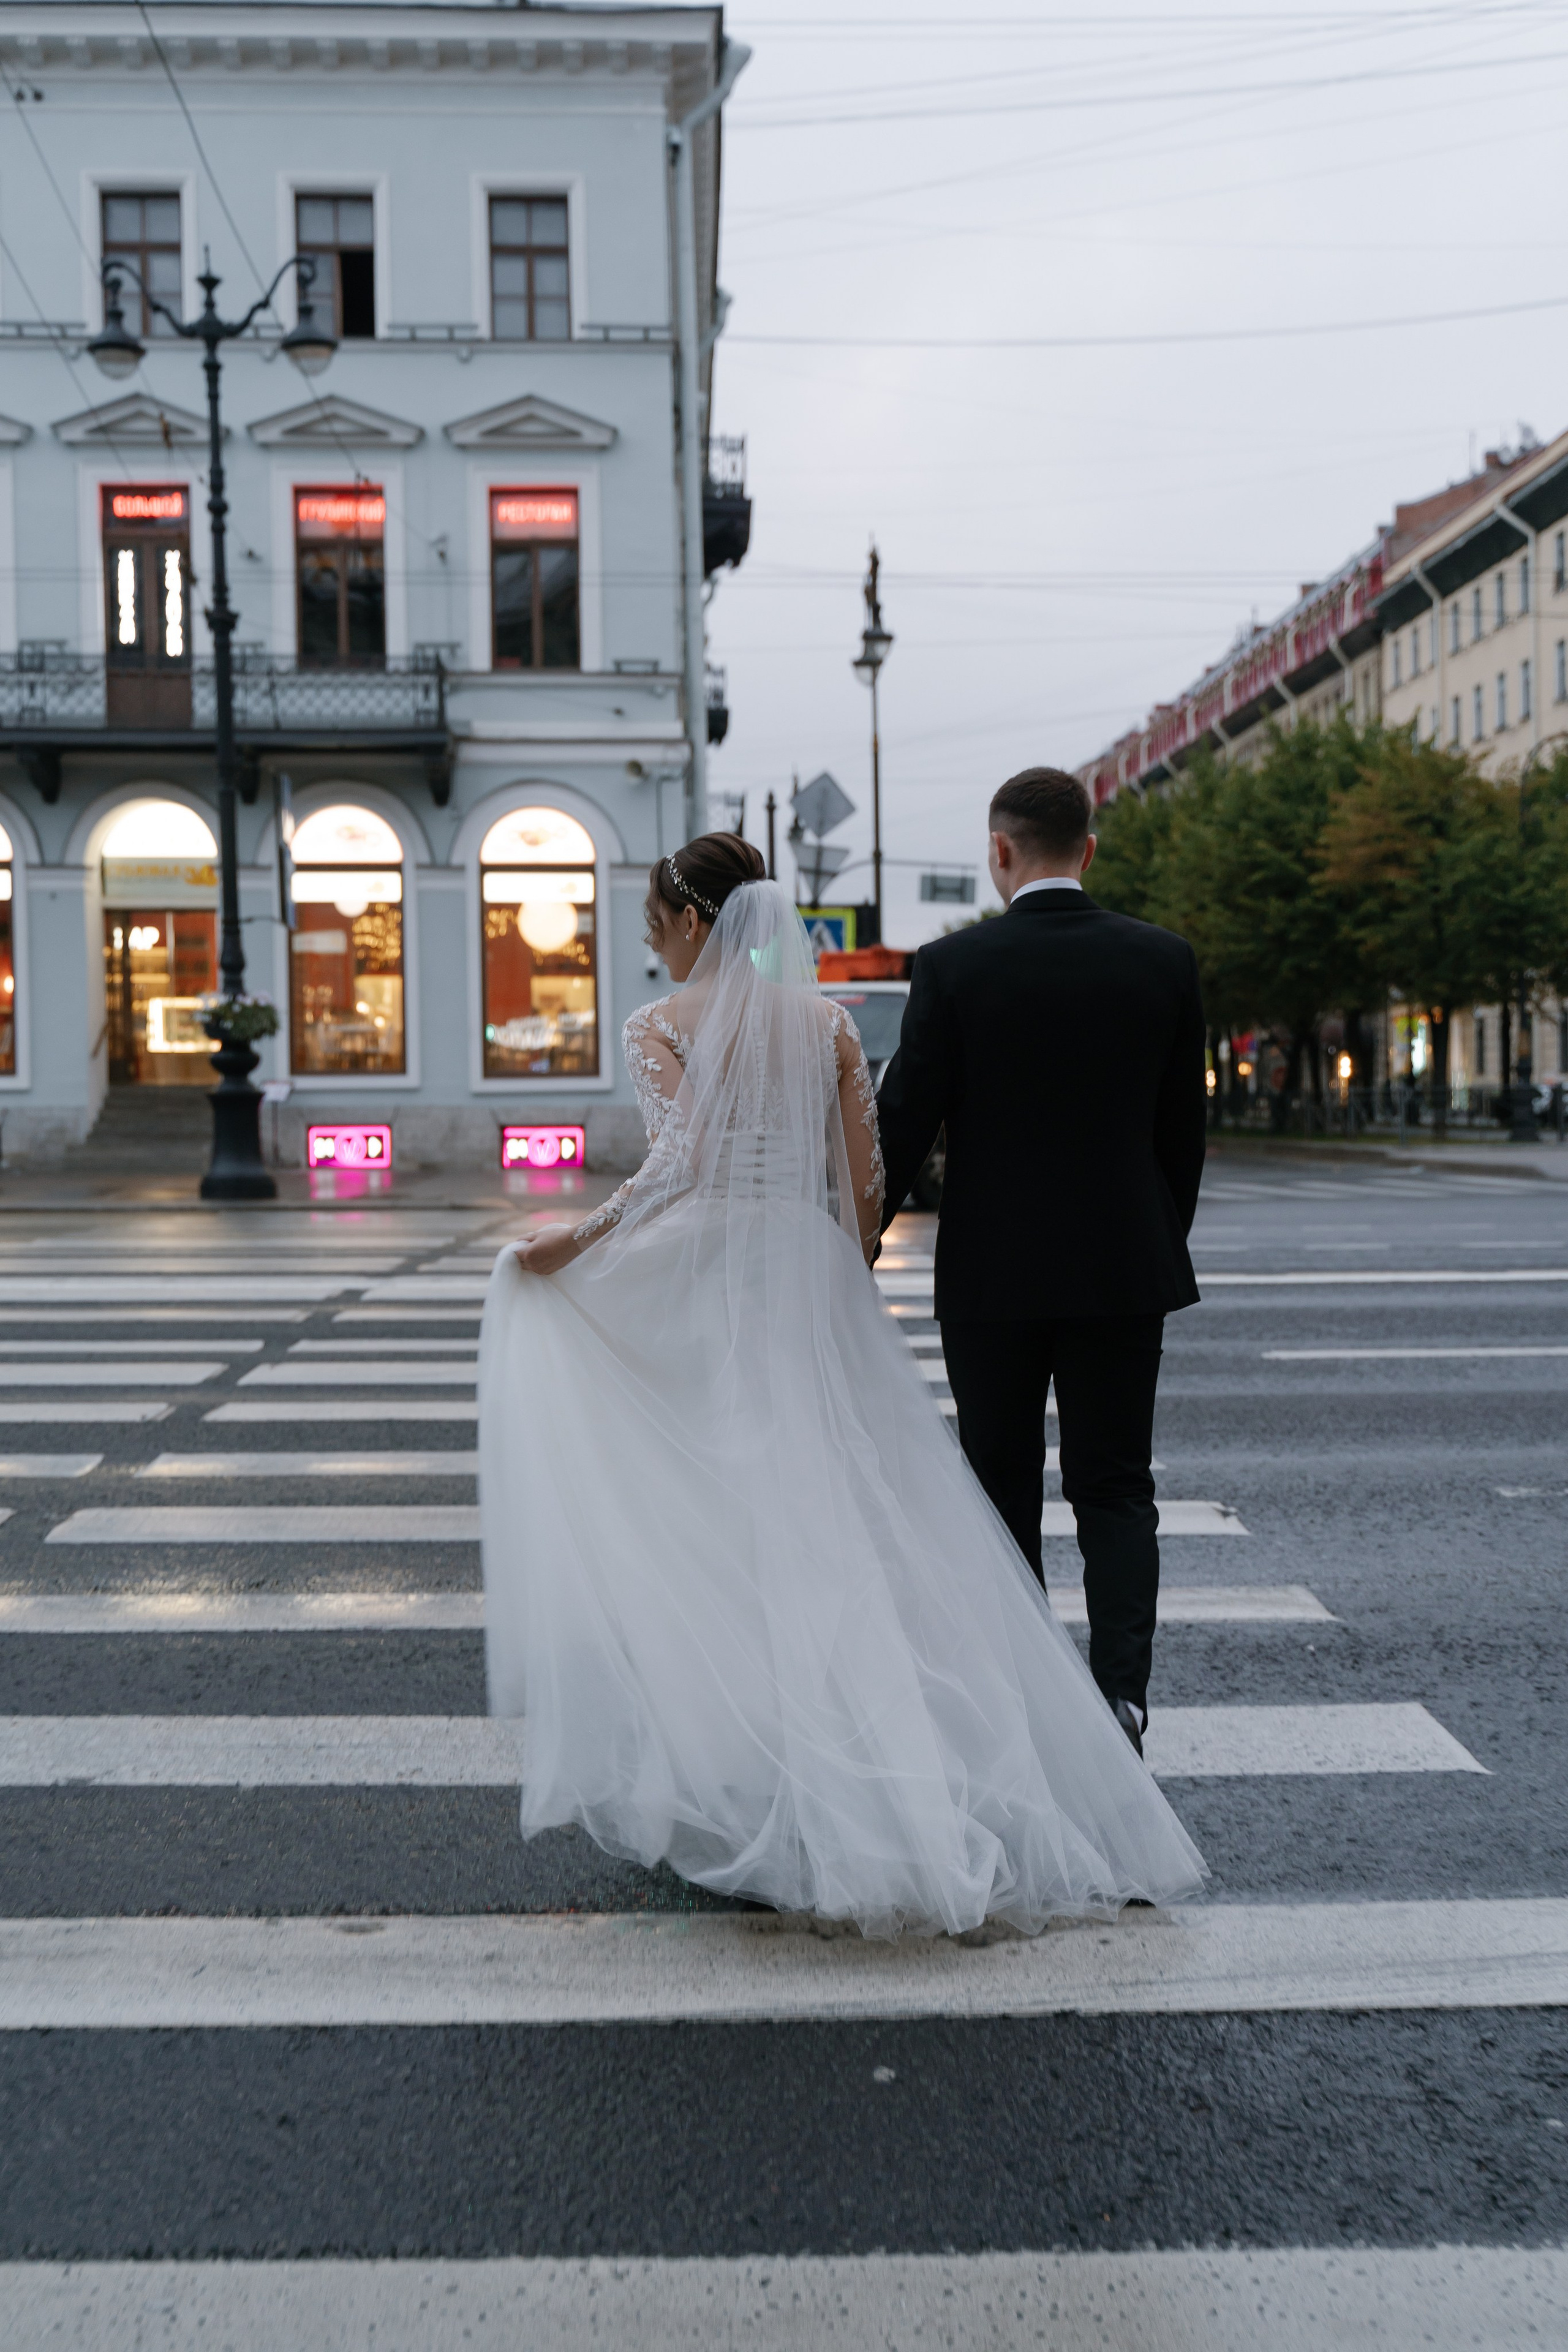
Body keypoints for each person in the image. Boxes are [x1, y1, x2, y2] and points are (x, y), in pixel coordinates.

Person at [479, 831, 1204, 1939]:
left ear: (689, 920)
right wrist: (841, 1273)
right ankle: (915, 1764)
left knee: (727, 1520)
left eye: (653, 925)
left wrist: (572, 1246)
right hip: (811, 1275)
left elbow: (679, 1167)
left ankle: (754, 1773)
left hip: (717, 1274)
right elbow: (865, 1183)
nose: (652, 945)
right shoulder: (824, 1024)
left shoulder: (658, 1026)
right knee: (852, 1515)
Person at [875, 766, 1207, 1757]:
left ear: (1001, 852)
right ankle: (1122, 1703)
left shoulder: (952, 968)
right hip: (1121, 1272)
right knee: (1115, 1486)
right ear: (1089, 850)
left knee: (1001, 1485)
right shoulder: (1163, 961)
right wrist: (1152, 1239)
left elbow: (903, 1129)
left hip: (993, 1280)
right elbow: (1181, 1137)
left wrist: (847, 1243)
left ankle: (1026, 1705)